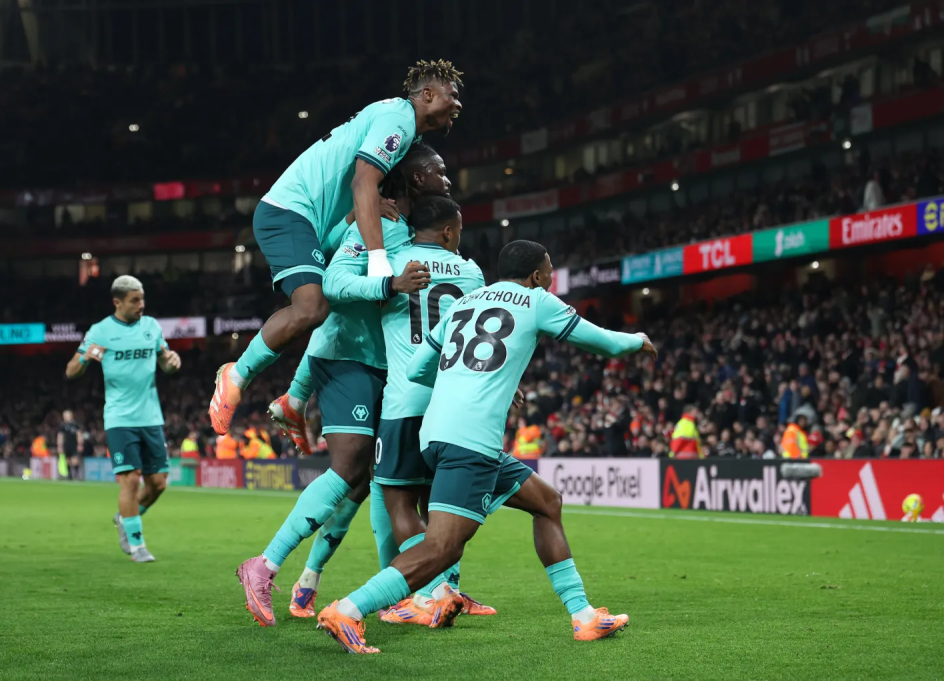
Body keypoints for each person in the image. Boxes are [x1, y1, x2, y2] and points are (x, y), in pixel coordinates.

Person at [317, 240, 657, 653]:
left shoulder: (466, 301)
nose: (550, 279)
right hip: (471, 440)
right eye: (549, 271)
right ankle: (348, 609)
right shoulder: (537, 301)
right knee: (441, 549)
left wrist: (465, 383)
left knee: (547, 502)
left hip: (437, 432)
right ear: (536, 276)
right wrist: (638, 338)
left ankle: (584, 617)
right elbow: (605, 342)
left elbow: (419, 366)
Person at [235, 143, 452, 627]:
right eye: (439, 171)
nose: (449, 179)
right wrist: (388, 285)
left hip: (385, 366)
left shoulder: (404, 232)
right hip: (347, 355)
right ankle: (264, 565)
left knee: (372, 483)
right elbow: (332, 286)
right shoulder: (377, 227)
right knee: (351, 466)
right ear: (415, 180)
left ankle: (362, 587)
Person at [209, 60, 464, 436]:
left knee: (342, 305)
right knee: (314, 306)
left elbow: (365, 190)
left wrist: (357, 214)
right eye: (452, 95)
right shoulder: (400, 117)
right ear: (426, 95)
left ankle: (295, 400)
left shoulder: (405, 132)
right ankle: (238, 374)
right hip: (291, 211)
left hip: (319, 224)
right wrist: (379, 265)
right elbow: (364, 182)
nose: (457, 104)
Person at [371, 195, 499, 626]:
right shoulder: (470, 270)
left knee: (400, 504)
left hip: (406, 397)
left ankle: (429, 594)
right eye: (459, 230)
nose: (459, 238)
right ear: (448, 231)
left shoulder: (389, 261)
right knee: (438, 506)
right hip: (451, 403)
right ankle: (448, 589)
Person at [65, 275, 182, 563]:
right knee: (130, 481)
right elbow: (71, 371)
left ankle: (125, 518)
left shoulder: (151, 327)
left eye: (142, 299)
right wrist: (85, 357)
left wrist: (171, 362)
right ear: (117, 302)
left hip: (151, 417)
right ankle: (137, 545)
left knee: (158, 484)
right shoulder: (100, 331)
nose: (141, 305)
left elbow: (165, 362)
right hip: (119, 418)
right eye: (135, 301)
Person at [57, 410, 82, 480]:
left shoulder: (75, 425)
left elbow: (79, 434)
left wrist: (80, 444)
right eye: (65, 416)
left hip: (74, 444)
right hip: (66, 444)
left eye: (67, 415)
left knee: (75, 460)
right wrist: (59, 446)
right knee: (67, 460)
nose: (66, 417)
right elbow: (60, 436)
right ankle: (69, 475)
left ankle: (76, 474)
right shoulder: (62, 425)